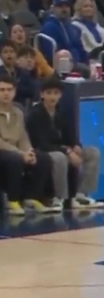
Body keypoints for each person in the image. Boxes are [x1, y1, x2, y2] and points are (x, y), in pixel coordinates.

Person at [26, 76, 104, 210]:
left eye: (56, 93)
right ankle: (60, 198)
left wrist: (76, 146)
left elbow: (70, 135)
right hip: (43, 151)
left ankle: (81, 195)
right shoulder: (35, 115)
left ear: (60, 95)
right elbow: (40, 143)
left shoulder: (61, 112)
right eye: (49, 93)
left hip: (62, 149)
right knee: (60, 157)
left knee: (92, 153)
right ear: (42, 94)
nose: (52, 97)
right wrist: (67, 151)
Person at [0, 75, 55, 215]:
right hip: (3, 152)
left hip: (17, 152)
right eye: (2, 90)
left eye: (9, 90)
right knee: (14, 160)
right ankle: (12, 201)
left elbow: (23, 137)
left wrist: (29, 151)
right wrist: (21, 154)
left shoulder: (18, 113)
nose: (6, 93)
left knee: (43, 158)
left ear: (14, 92)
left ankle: (32, 197)